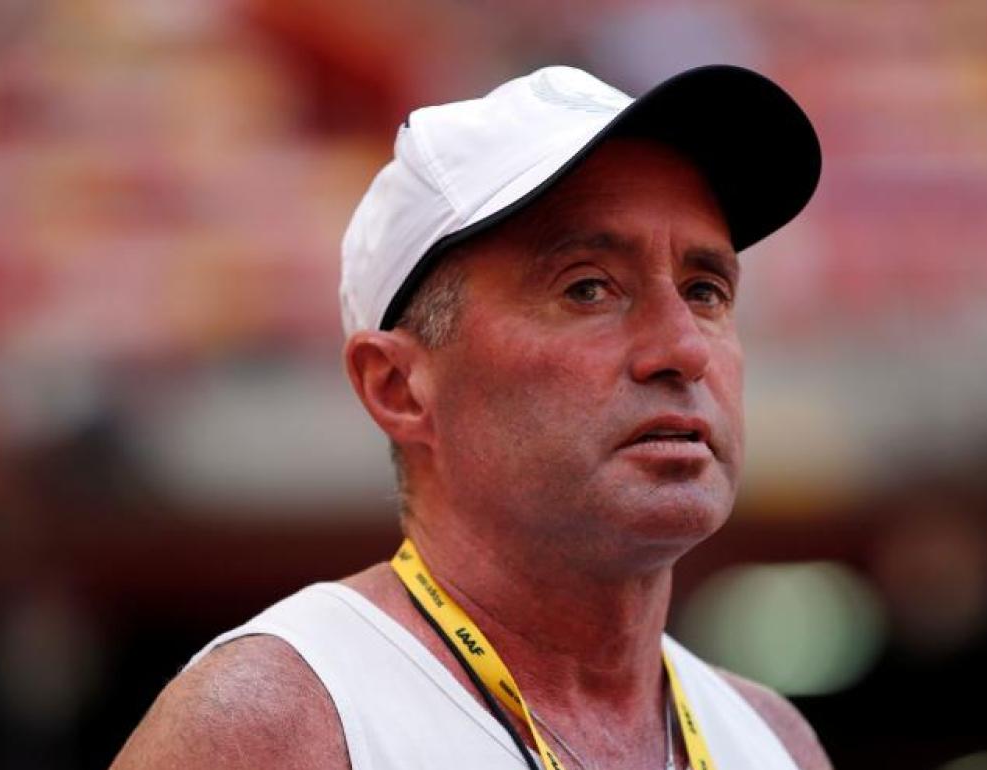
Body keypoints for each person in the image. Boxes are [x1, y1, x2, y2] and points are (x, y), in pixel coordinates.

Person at [111, 64, 827, 770]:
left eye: (705, 290)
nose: (682, 350)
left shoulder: (772, 741)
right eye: (587, 289)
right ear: (397, 386)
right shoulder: (278, 726)